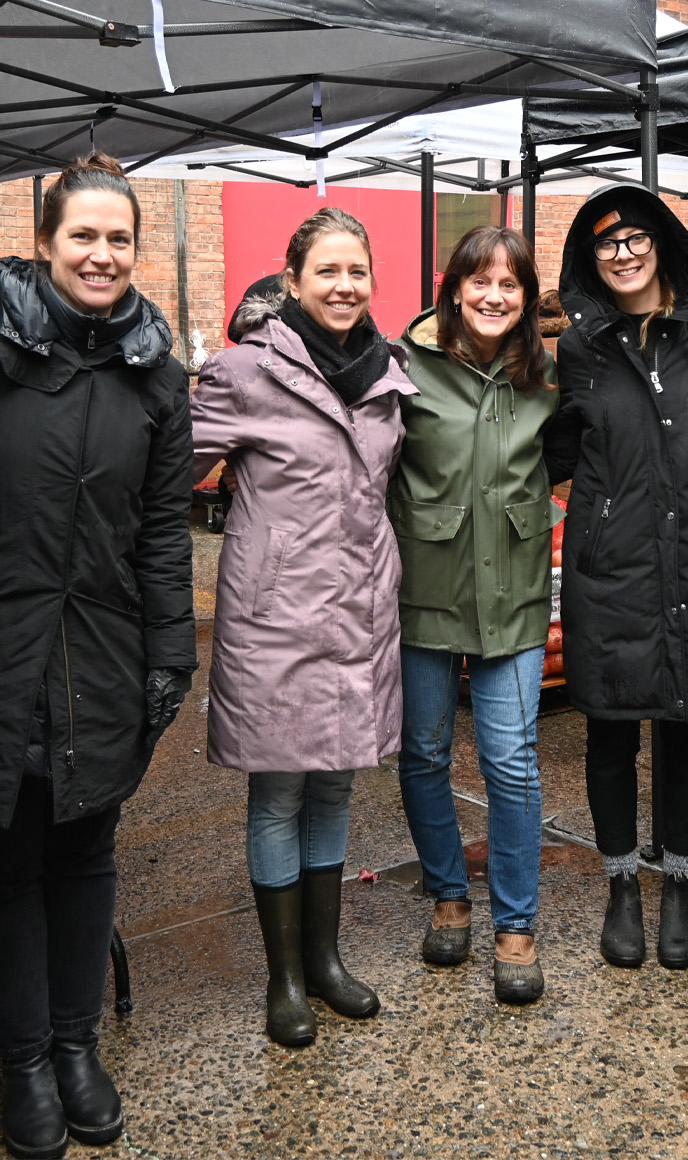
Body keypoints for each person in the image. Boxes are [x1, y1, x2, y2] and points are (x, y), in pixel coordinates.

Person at [0, 153, 193, 1159]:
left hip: (101, 645)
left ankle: (75, 1042)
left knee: (84, 850)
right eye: (82, 235)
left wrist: (169, 651)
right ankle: (22, 1061)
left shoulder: (156, 375)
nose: (101, 253)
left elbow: (165, 527)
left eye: (118, 238)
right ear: (45, 242)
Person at [190, 207, 414, 1046]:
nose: (345, 285)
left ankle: (325, 961)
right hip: (277, 621)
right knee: (279, 791)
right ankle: (284, 978)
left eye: (357, 270)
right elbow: (169, 466)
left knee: (336, 785)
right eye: (326, 271)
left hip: (359, 612)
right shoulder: (246, 372)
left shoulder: (389, 374)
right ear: (292, 281)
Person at [543, 185, 688, 971]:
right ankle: (620, 886)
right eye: (606, 243)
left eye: (637, 237)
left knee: (687, 731)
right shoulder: (579, 350)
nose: (623, 253)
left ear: (665, 244)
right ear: (590, 259)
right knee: (610, 730)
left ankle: (678, 885)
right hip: (612, 569)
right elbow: (554, 451)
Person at [392, 226, 558, 1005]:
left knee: (512, 759)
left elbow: (586, 454)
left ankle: (515, 925)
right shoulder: (405, 366)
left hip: (516, 591)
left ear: (526, 297)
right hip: (425, 585)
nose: (494, 296)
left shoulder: (545, 375)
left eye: (510, 285)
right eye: (480, 281)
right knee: (423, 753)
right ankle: (449, 895)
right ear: (454, 286)